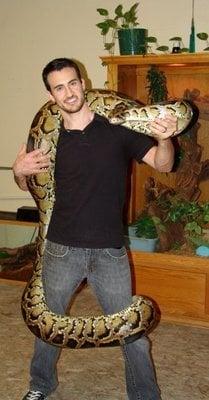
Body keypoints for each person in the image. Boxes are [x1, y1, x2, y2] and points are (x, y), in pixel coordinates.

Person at [13, 58, 176, 400]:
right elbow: (32, 188)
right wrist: (19, 171)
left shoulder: (117, 128)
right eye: (59, 87)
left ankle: (145, 395)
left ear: (83, 83)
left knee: (132, 331)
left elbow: (164, 164)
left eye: (72, 83)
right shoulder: (49, 137)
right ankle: (40, 385)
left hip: (109, 250)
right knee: (48, 325)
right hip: (61, 246)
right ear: (50, 95)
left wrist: (165, 139)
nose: (68, 92)